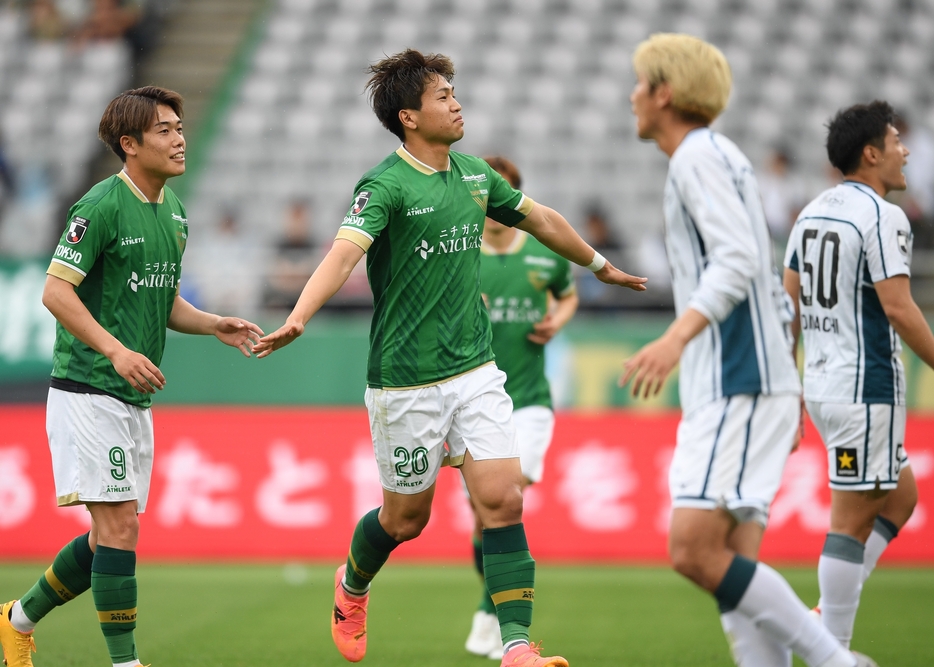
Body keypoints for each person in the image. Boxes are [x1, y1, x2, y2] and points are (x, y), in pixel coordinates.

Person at [252, 49, 646, 667]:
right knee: (406, 519)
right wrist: (298, 316)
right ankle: (352, 586)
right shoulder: (383, 185)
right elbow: (341, 255)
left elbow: (540, 219)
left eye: (454, 92)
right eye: (442, 96)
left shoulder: (473, 175)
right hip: (405, 382)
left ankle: (516, 645)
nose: (456, 103)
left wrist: (600, 266)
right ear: (409, 116)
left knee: (504, 499)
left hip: (476, 371)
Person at [620, 34, 875, 667]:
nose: (632, 97)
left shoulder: (697, 158)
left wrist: (675, 338)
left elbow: (736, 259)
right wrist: (783, 388)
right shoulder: (720, 156)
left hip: (736, 378)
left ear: (665, 92)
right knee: (732, 560)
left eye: (640, 84)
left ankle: (833, 660)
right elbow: (764, 277)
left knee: (694, 551)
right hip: (754, 380)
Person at [0, 86, 262, 667]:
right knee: (119, 530)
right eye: (164, 129)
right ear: (129, 144)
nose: (178, 138)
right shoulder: (99, 206)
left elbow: (163, 301)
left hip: (132, 398)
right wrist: (118, 351)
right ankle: (125, 663)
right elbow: (55, 291)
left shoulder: (173, 211)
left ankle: (15, 619)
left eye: (179, 126)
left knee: (103, 540)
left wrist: (212, 321)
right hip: (87, 387)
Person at [783, 101, 924, 650]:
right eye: (895, 140)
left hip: (824, 386)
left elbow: (788, 305)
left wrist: (792, 389)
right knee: (849, 522)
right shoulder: (884, 216)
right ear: (871, 153)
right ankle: (828, 651)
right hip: (864, 389)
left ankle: (822, 622)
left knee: (899, 496)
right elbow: (899, 307)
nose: (904, 149)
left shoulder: (811, 211)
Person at [464, 156, 579, 661]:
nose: (492, 208)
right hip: (477, 401)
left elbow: (568, 295)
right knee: (481, 517)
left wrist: (558, 320)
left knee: (508, 497)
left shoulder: (545, 255)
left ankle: (496, 615)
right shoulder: (462, 255)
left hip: (529, 400)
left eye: (501, 196)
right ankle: (493, 606)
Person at [263, 198, 319, 310]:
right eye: (294, 218)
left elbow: (318, 274)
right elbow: (275, 274)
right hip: (282, 294)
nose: (297, 223)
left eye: (301, 218)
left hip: (308, 294)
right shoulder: (279, 244)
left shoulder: (314, 244)